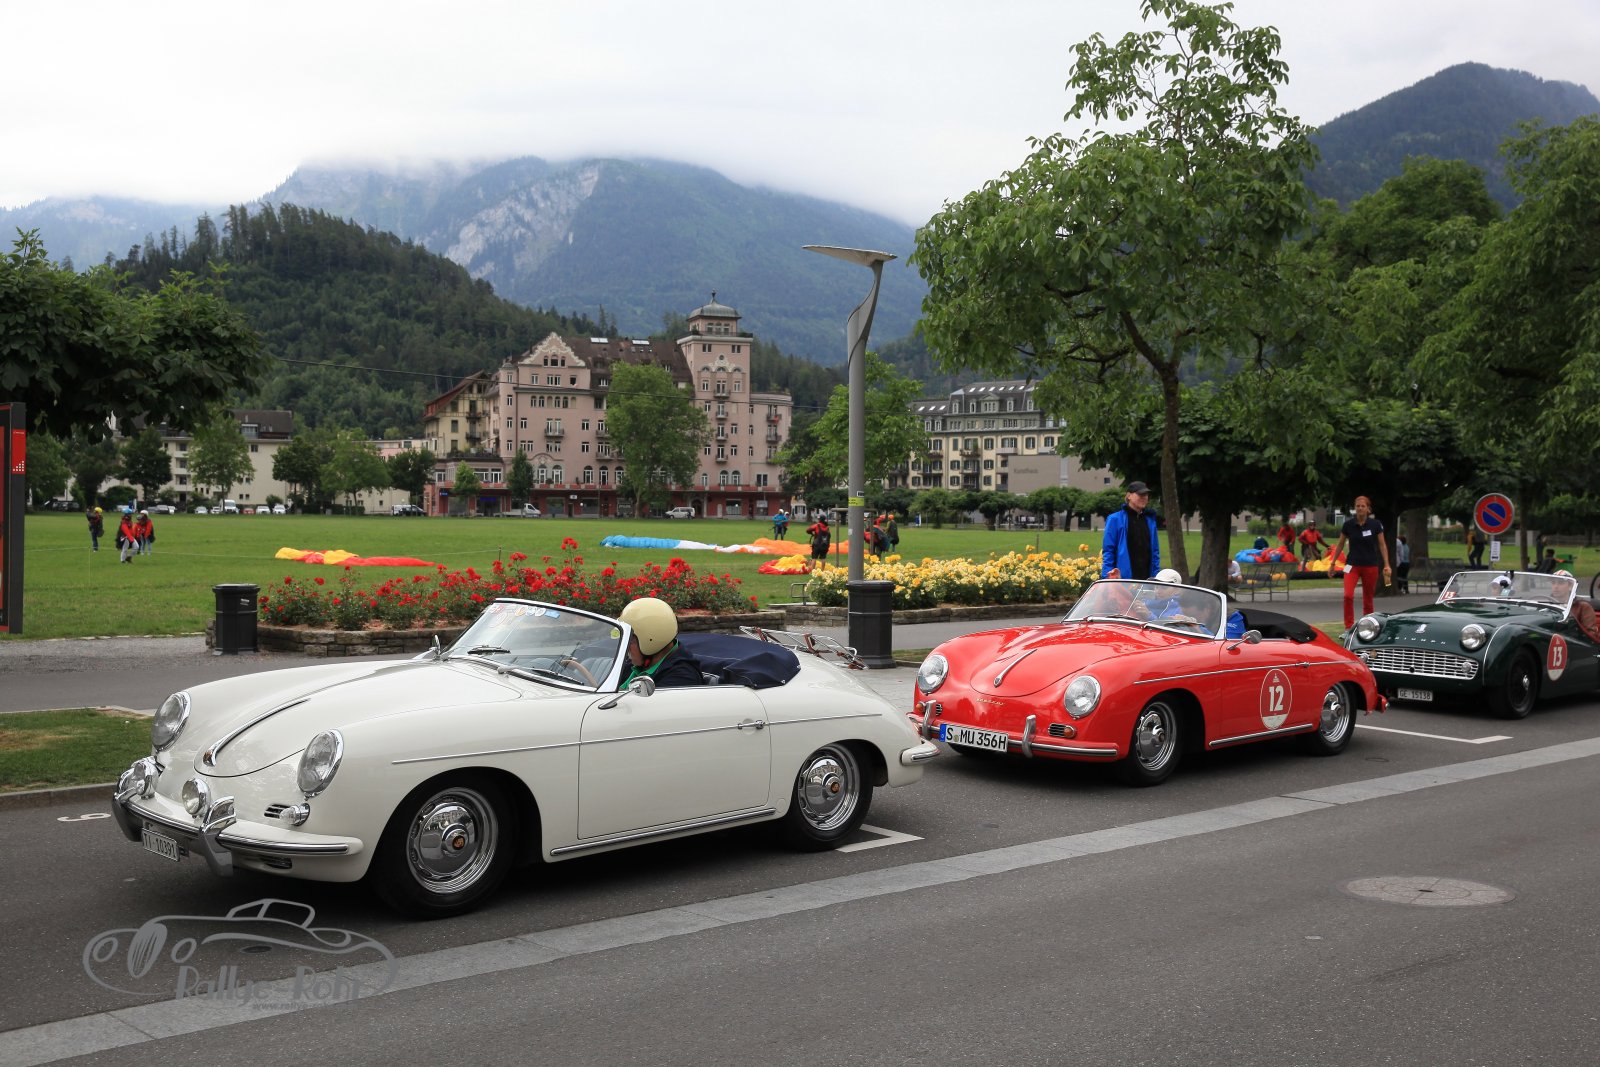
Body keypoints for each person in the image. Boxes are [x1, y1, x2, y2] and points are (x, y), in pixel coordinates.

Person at [1332, 495, 1393, 629]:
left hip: (1370, 565)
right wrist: (1332, 563)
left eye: (1363, 506)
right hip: (1351, 565)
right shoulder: (1348, 525)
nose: (1360, 508)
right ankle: (1348, 626)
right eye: (1357, 506)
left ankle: (1368, 626)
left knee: (1368, 598)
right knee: (1348, 595)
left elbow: (1382, 545)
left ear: (1368, 509)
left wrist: (1387, 564)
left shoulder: (1375, 524)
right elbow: (1340, 544)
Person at [617, 597, 703, 688]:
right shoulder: (637, 664)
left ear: (651, 639)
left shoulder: (681, 678)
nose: (626, 647)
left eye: (630, 640)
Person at [1102, 481, 1160, 580]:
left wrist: (1156, 577)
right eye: (1140, 494)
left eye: (1146, 494)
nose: (1144, 497)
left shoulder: (1150, 521)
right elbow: (1108, 551)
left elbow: (1155, 553)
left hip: (1147, 580)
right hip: (1123, 581)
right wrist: (1107, 578)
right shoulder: (1115, 519)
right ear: (1129, 496)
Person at [1555, 571, 1600, 643]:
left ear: (1570, 586)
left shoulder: (1582, 607)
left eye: (1560, 583)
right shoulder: (1544, 604)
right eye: (1553, 583)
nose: (1555, 586)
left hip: (1573, 644)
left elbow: (1591, 635)